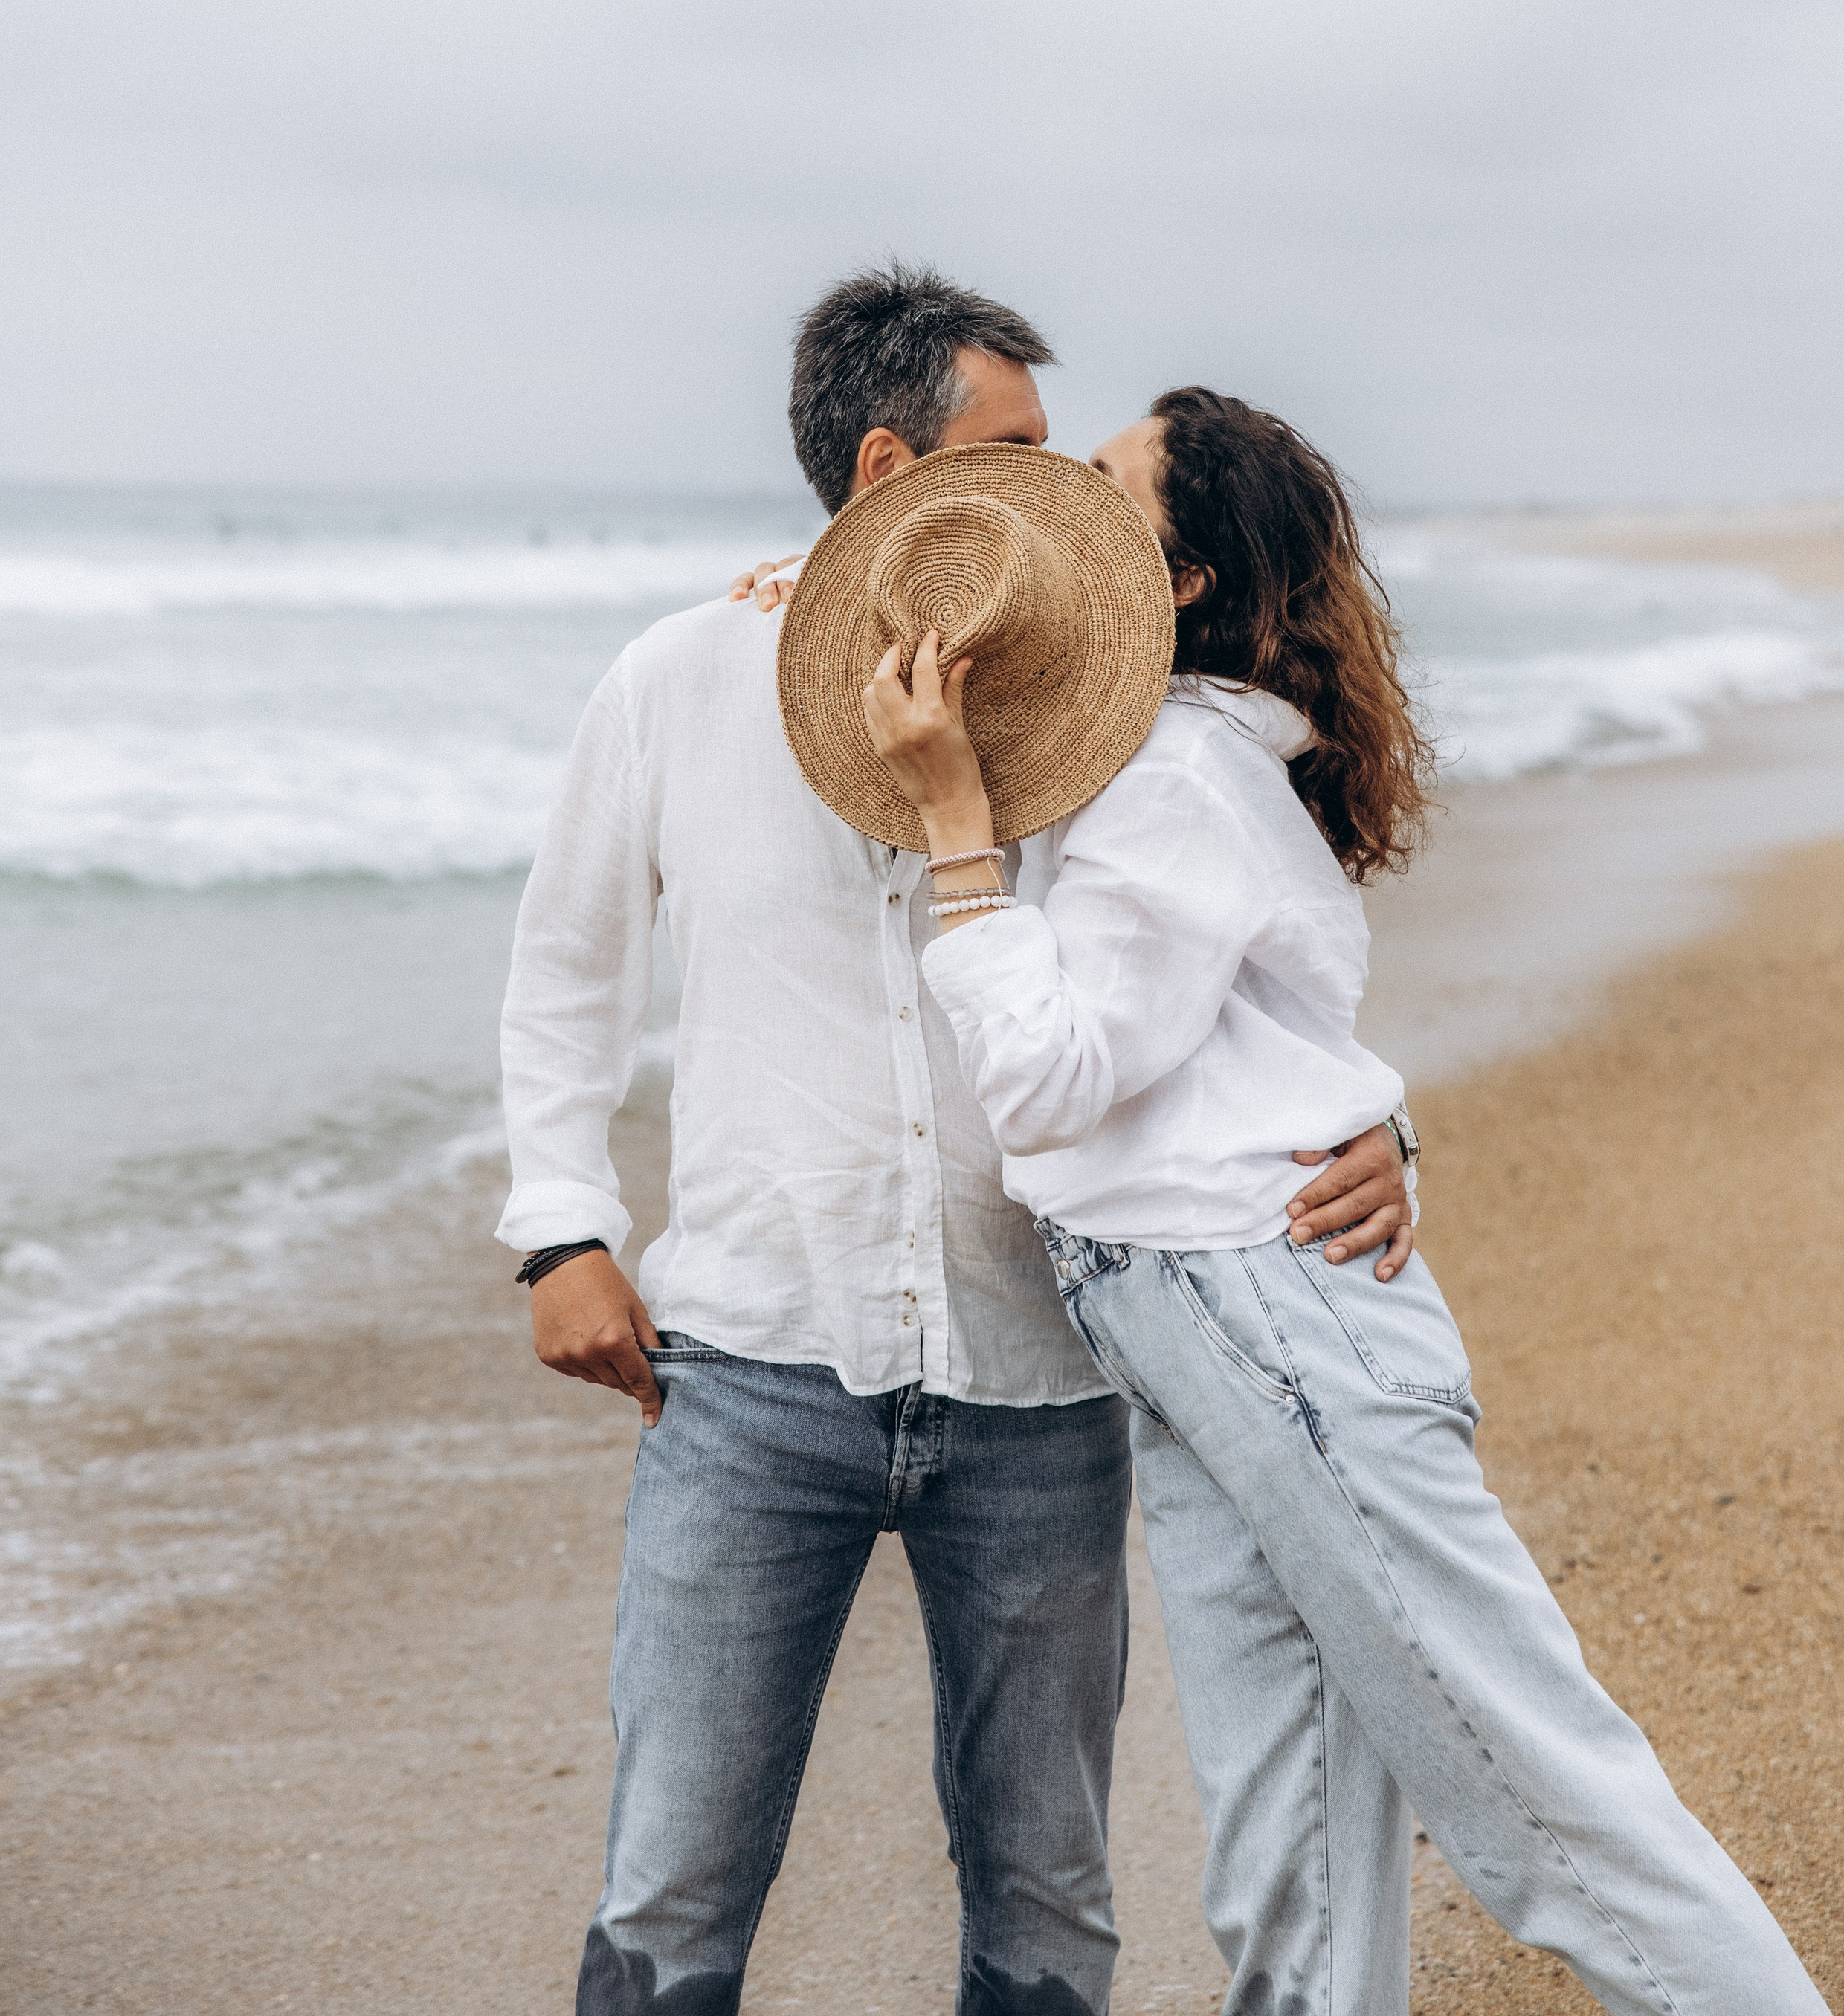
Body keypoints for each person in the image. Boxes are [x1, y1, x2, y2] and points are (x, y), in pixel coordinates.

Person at [498, 271, 1416, 2016]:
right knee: (673, 1883)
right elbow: (563, 972)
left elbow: (1250, 970)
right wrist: (561, 1231)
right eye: (1015, 452)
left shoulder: (1101, 709)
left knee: (1049, 1901)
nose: (1059, 496)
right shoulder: (681, 681)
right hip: (750, 1369)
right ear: (880, 468)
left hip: (1046, 1374)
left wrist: (1382, 1128)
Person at [857, 387, 1825, 2016]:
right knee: (1287, 1866)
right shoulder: (1161, 755)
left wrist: (958, 838)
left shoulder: (1168, 772)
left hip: (1260, 1305)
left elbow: (1049, 1082)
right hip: (1210, 1321)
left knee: (1545, 1811)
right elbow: (1267, 1052)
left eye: (1101, 483)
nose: (1062, 505)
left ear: (1177, 578)